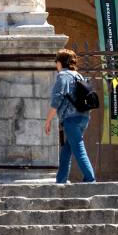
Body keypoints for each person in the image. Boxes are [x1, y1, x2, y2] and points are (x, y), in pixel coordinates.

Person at [42, 48, 96, 184]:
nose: (56, 65)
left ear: (60, 63)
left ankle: (90, 179)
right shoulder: (78, 75)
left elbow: (56, 100)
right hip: (83, 117)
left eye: (56, 62)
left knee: (78, 147)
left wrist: (48, 121)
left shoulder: (63, 76)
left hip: (71, 118)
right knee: (67, 149)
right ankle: (61, 180)